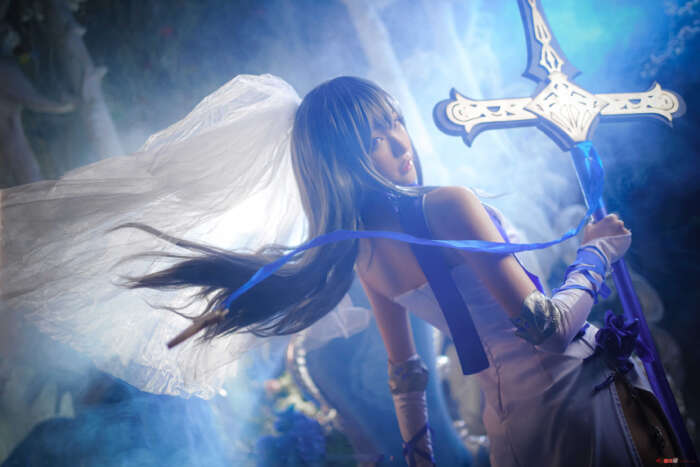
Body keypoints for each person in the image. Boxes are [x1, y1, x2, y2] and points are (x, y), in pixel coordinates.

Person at [1, 75, 677, 466]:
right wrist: (595, 254)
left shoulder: (364, 254)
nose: (398, 144)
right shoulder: (449, 203)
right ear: (344, 161)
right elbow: (547, 329)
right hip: (577, 404)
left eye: (394, 123)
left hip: (513, 431)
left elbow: (406, 377)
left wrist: (418, 459)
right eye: (373, 139)